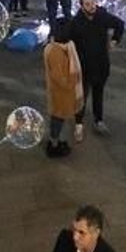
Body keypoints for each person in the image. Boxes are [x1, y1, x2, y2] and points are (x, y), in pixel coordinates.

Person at [69, 0, 126, 137]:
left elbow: (119, 24)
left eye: (93, 2)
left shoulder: (102, 16)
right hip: (84, 66)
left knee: (98, 92)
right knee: (81, 95)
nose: (92, 6)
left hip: (101, 64)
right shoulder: (76, 23)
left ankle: (98, 120)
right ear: (82, 6)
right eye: (88, 4)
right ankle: (78, 124)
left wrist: (114, 40)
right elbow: (65, 38)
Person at [44, 21, 84, 157]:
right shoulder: (56, 51)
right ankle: (54, 145)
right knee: (58, 119)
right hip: (60, 93)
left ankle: (59, 141)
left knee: (60, 118)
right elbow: (59, 77)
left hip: (62, 93)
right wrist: (72, 82)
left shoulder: (63, 47)